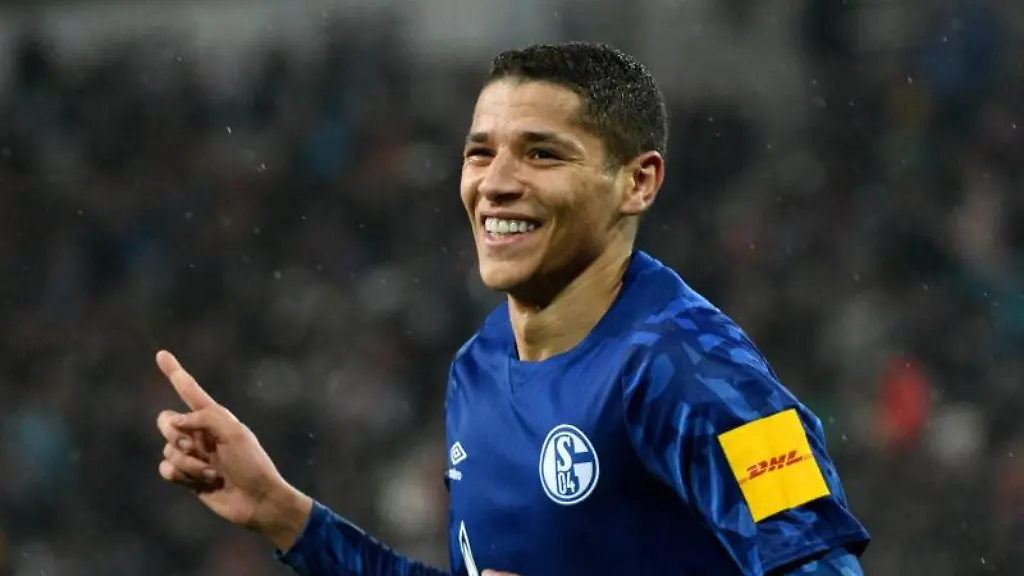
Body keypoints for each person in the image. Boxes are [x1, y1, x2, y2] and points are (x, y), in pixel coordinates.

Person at [154, 42, 870, 576]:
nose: (495, 183)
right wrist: (283, 514)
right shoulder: (479, 365)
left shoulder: (700, 374)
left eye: (542, 155)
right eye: (480, 153)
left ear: (638, 182)